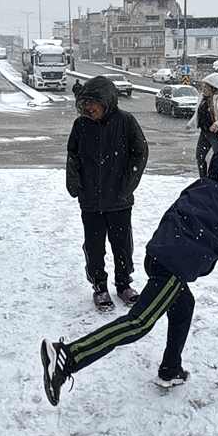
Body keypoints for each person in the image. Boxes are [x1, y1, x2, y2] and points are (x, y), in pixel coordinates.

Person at [41, 148, 218, 406]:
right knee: (138, 323)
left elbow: (174, 216)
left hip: (156, 256)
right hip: (175, 269)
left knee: (183, 306)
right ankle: (68, 356)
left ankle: (171, 369)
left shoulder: (197, 187)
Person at [67, 75, 149, 311]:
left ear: (107, 101)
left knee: (122, 245)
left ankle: (123, 284)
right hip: (90, 200)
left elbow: (140, 152)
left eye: (93, 102)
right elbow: (73, 155)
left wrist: (128, 185)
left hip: (120, 200)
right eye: (85, 103)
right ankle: (99, 287)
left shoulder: (126, 121)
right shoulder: (80, 126)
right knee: (94, 246)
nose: (88, 108)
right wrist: (74, 180)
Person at [184, 72, 218, 178]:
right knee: (200, 157)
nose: (203, 90)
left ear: (213, 88)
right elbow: (198, 114)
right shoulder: (202, 98)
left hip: (217, 135)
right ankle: (203, 178)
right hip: (204, 133)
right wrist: (190, 123)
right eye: (203, 87)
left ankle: (217, 179)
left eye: (206, 87)